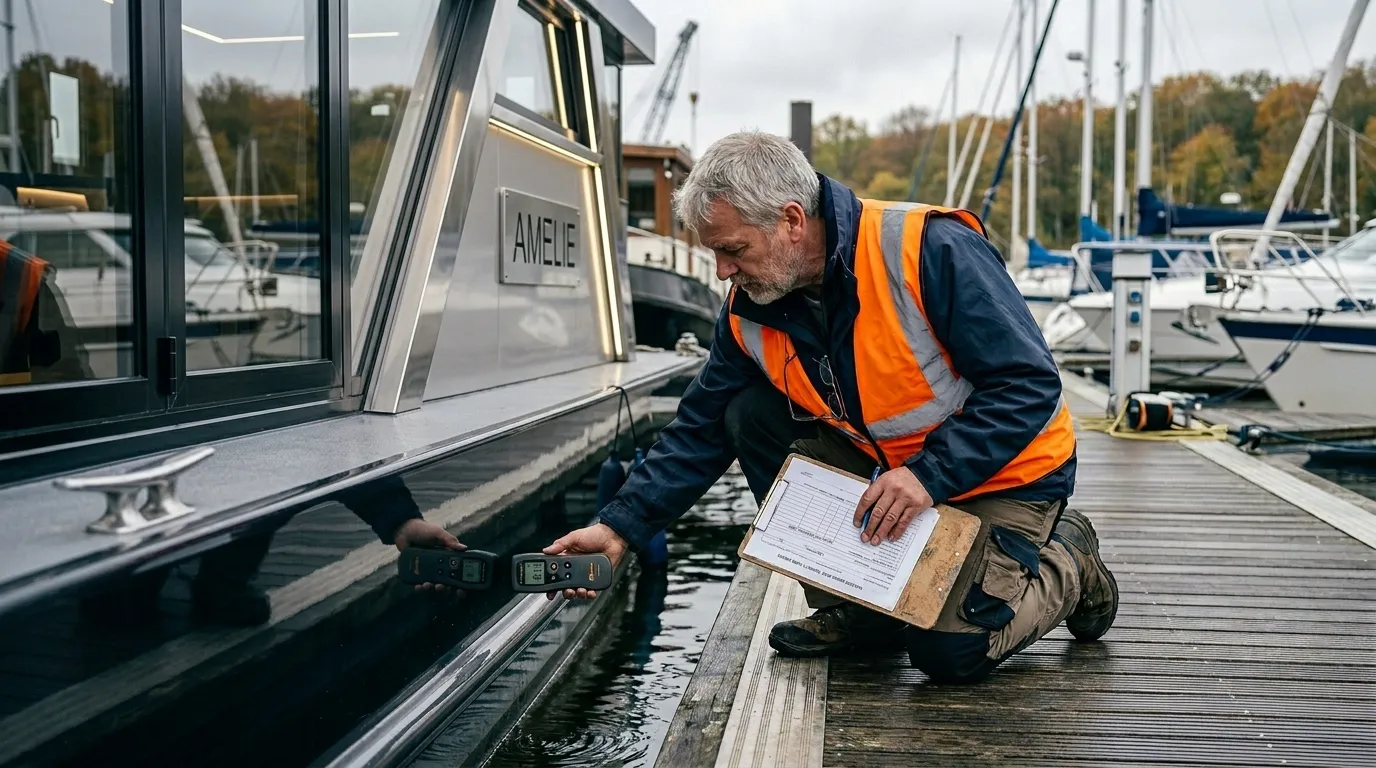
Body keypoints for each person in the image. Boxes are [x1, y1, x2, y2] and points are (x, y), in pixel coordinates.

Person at [542, 130, 1119, 683]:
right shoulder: (752, 306)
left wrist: (927, 476)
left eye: (732, 249)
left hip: (1005, 473)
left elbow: (1029, 385)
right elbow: (700, 429)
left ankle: (1071, 557)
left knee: (951, 653)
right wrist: (619, 528)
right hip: (890, 474)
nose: (721, 271)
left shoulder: (931, 249)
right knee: (743, 412)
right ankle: (861, 611)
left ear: (792, 220)